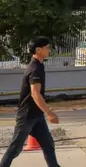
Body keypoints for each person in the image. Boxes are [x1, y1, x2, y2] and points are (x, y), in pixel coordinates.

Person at [0, 37, 61, 167]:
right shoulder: (35, 68)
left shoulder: (38, 65)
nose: (49, 49)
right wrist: (49, 113)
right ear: (38, 50)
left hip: (36, 116)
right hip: (27, 116)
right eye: (47, 47)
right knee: (15, 148)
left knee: (48, 144)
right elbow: (35, 94)